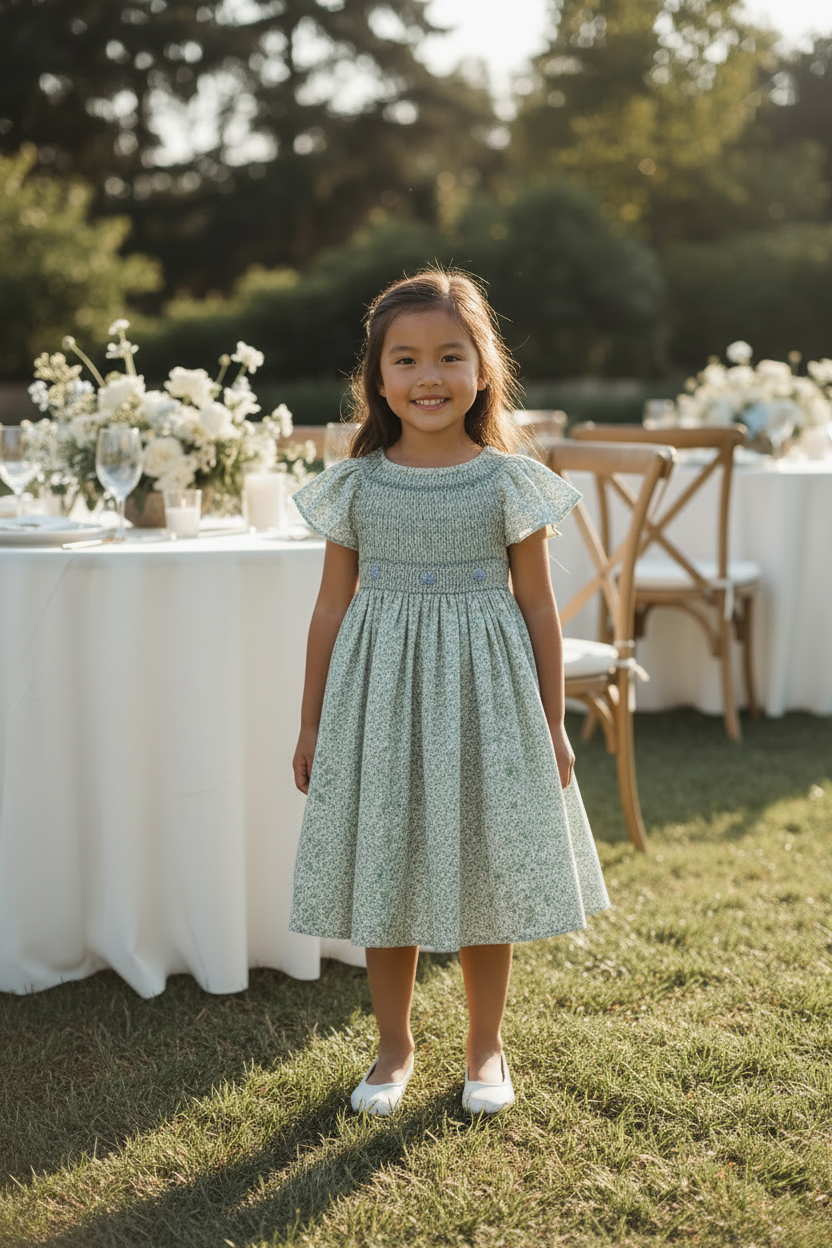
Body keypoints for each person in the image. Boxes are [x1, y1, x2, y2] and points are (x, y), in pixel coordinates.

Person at [289, 267, 610, 1117]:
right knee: (385, 862)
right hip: (380, 700)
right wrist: (311, 724)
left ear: (482, 368)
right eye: (405, 359)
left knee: (484, 869)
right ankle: (394, 1047)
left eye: (448, 356)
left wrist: (553, 722)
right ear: (376, 377)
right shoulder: (356, 483)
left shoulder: (508, 481)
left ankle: (485, 1046)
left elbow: (538, 606)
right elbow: (330, 608)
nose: (427, 376)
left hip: (486, 700)